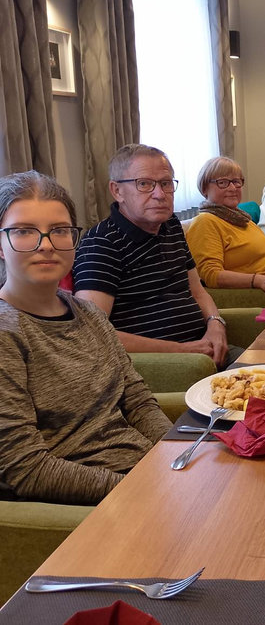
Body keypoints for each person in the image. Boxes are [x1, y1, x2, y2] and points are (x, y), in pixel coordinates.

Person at [0, 171, 171, 505]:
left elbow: (136, 400)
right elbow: (25, 468)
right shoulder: (6, 332)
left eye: (59, 230)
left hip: (147, 475)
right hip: (94, 506)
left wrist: (176, 455)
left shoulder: (89, 313)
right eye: (23, 231)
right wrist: (142, 491)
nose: (46, 244)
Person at [73, 144, 235, 368]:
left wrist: (215, 324)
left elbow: (198, 292)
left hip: (205, 351)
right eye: (144, 184)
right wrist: (182, 351)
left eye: (166, 184)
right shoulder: (101, 243)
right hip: (163, 365)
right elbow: (93, 332)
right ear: (117, 191)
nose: (159, 194)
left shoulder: (171, 225)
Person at [186, 157, 265, 303]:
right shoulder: (206, 222)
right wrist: (258, 281)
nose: (232, 188)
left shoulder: (243, 220)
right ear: (204, 188)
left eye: (236, 181)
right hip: (261, 298)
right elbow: (211, 275)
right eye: (222, 182)